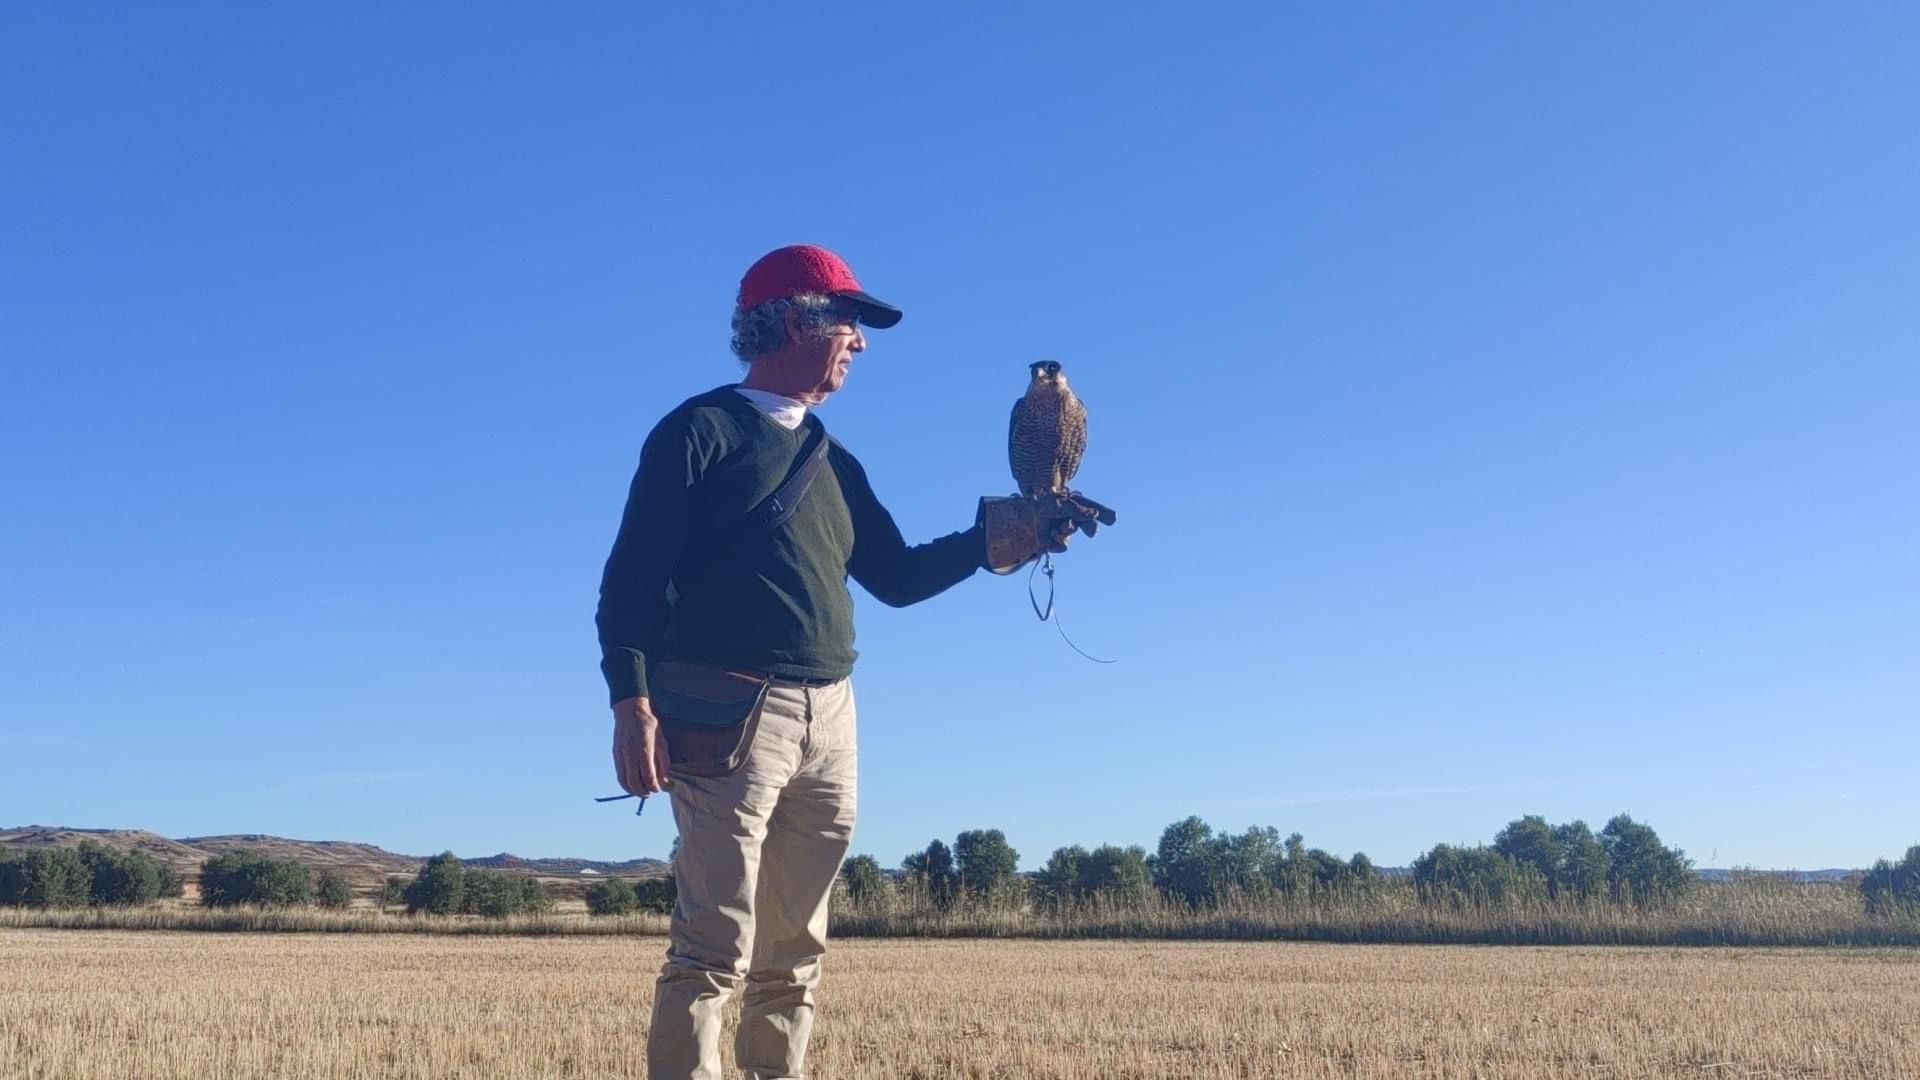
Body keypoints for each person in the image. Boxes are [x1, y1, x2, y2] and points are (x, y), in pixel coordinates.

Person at [595, 244, 1103, 1079]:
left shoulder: (831, 456)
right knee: (711, 948)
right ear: (797, 320)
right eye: (851, 322)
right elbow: (631, 582)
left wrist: (995, 542)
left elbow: (896, 577)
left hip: (833, 716)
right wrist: (631, 701)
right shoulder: (699, 432)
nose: (861, 343)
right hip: (725, 712)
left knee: (794, 955)